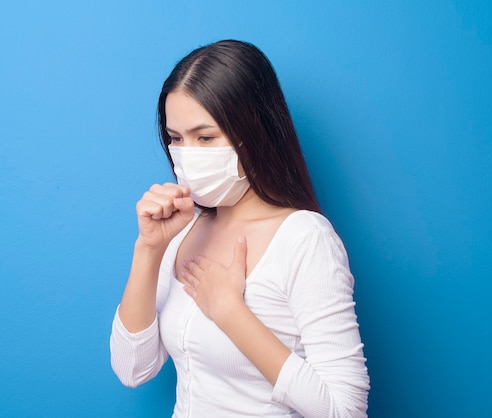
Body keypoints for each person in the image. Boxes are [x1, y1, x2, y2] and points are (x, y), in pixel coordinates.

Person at [110, 39, 370, 417]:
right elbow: (133, 368)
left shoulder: (305, 238)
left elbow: (346, 412)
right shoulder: (181, 230)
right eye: (175, 139)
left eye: (206, 137)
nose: (186, 154)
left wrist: (232, 313)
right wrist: (148, 249)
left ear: (254, 132)